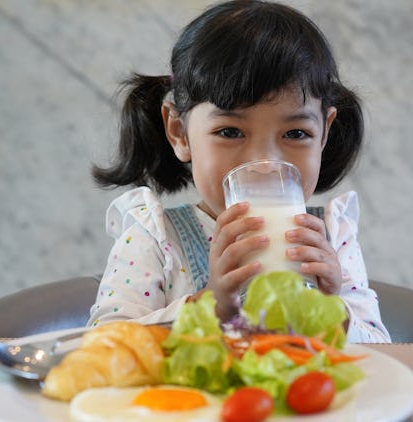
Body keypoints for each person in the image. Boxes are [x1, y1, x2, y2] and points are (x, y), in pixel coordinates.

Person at [88, 0, 390, 343]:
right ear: (178, 131)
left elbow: (387, 355)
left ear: (324, 133)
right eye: (230, 132)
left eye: (295, 134)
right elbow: (105, 344)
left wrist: (334, 312)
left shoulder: (333, 236)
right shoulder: (155, 239)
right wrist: (208, 306)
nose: (262, 161)